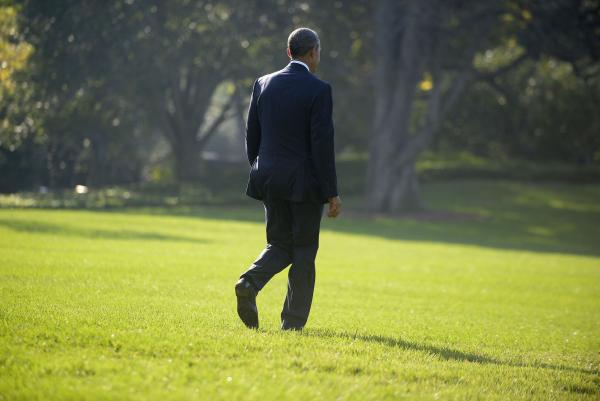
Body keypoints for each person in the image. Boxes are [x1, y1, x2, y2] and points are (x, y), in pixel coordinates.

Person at [235, 27, 341, 331]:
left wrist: (260, 168)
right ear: (312, 53)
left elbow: (251, 135)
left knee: (280, 243)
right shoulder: (319, 90)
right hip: (304, 183)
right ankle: (292, 324)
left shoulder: (263, 83)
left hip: (267, 177)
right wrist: (332, 192)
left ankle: (248, 283)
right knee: (305, 250)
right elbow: (322, 144)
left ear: (288, 52)